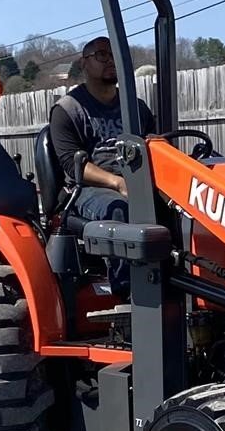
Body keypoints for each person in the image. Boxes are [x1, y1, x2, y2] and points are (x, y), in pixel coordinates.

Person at [46, 36, 156, 298]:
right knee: (121, 210)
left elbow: (156, 147)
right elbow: (73, 165)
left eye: (115, 56)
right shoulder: (68, 110)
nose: (111, 62)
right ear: (85, 63)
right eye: (102, 56)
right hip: (89, 189)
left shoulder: (137, 109)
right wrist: (117, 182)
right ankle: (129, 295)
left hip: (136, 182)